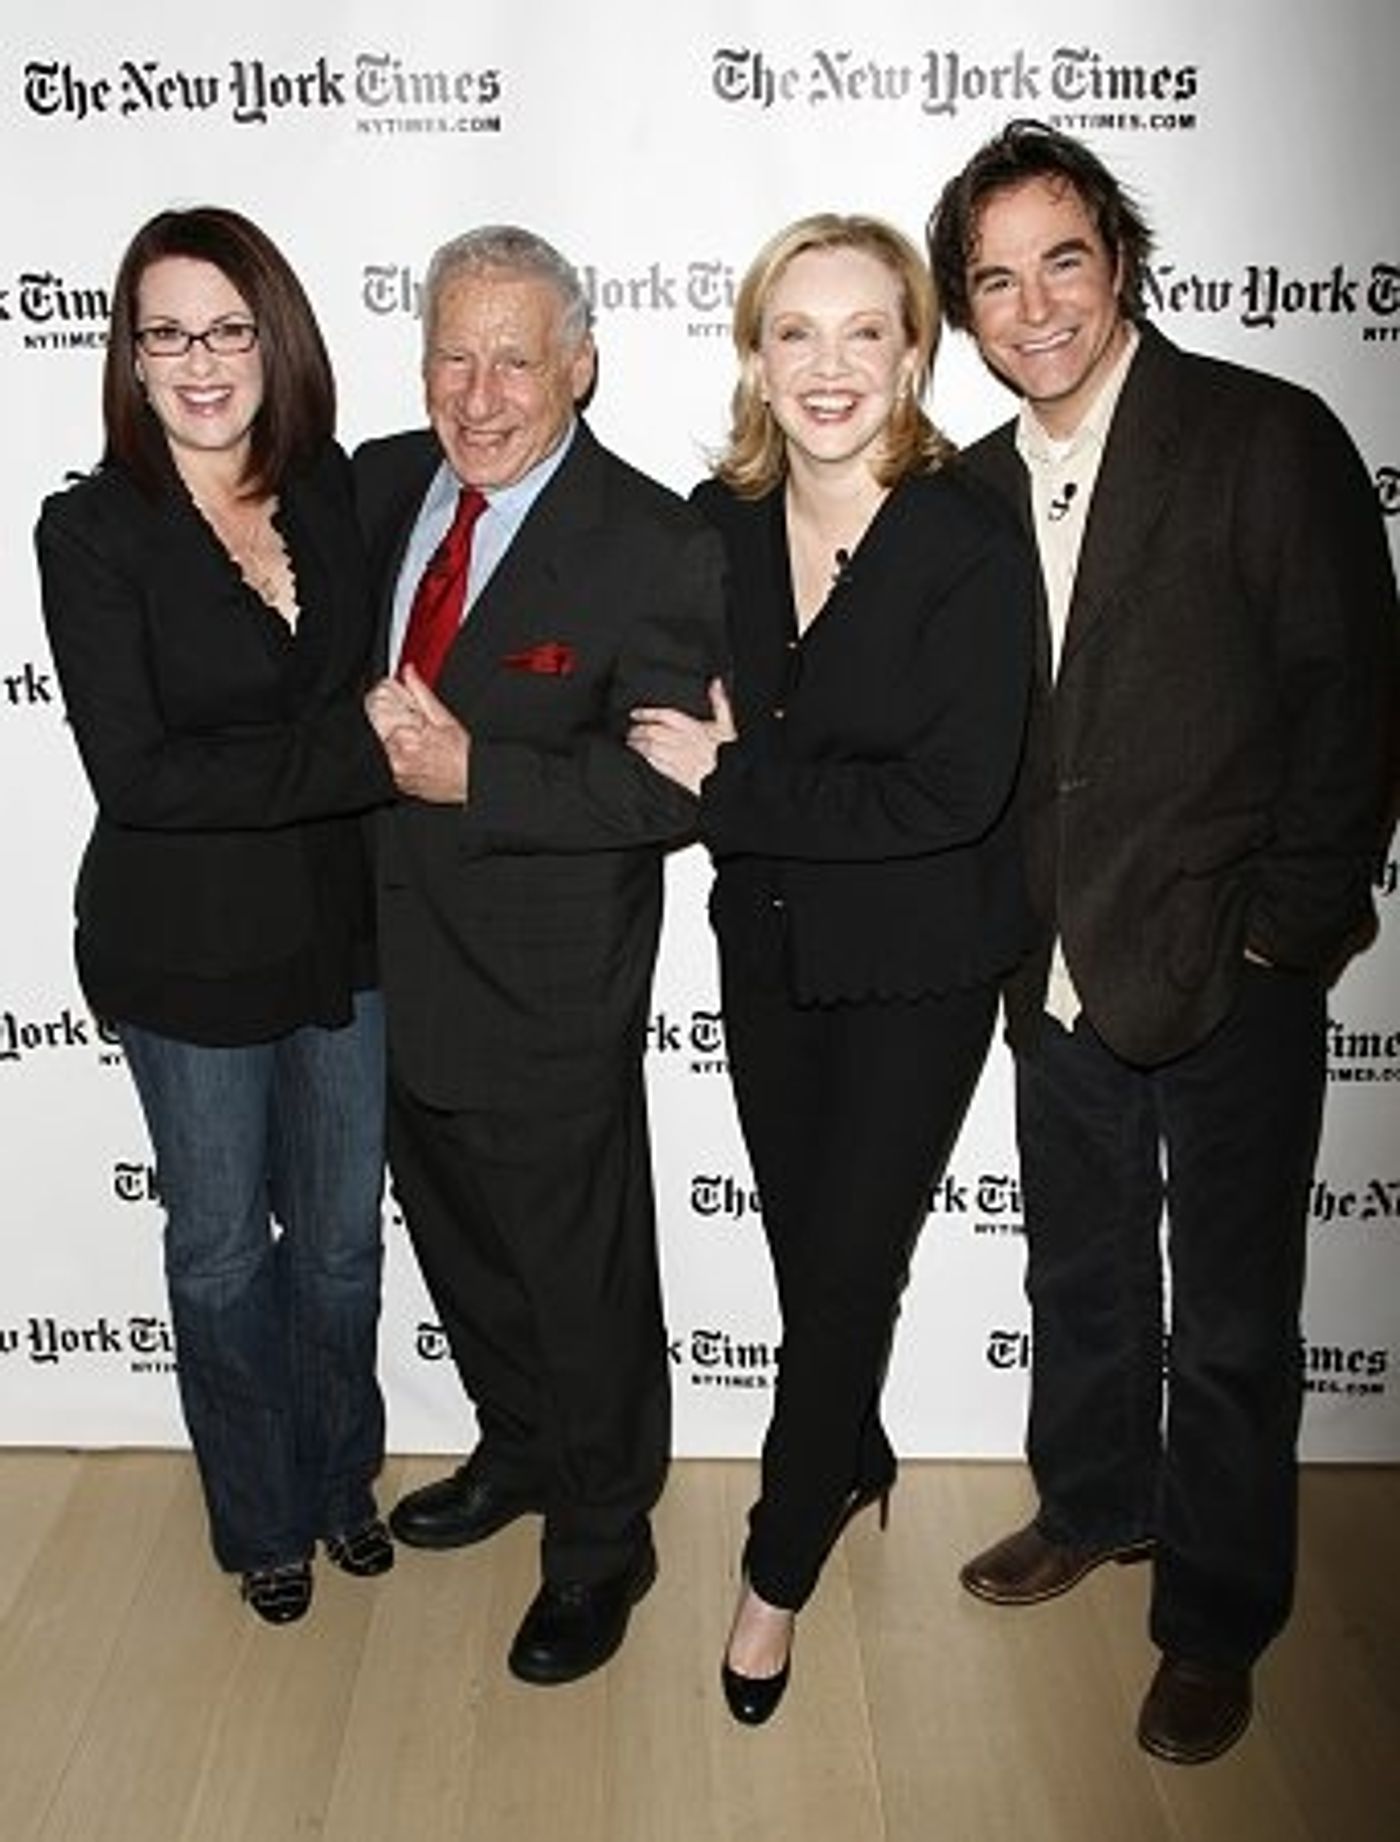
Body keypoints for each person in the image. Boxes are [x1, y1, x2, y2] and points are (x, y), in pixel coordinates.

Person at [927, 120, 1399, 1764]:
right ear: (966, 310)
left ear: (1119, 260)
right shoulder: (972, 490)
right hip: (1052, 969)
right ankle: (1092, 1499)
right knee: (1081, 1268)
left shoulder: (1263, 435)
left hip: (1231, 967)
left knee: (1238, 1318)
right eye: (997, 280)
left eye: (1062, 260)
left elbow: (1354, 698)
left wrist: (1285, 937)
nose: (1035, 306)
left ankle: (1214, 1615)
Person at [626, 214, 1036, 1724]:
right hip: (771, 950)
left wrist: (746, 781)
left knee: (850, 1266)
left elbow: (951, 797)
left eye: (868, 331)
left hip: (919, 968)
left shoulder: (965, 538)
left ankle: (776, 1567)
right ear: (753, 356)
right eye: (796, 331)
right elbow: (663, 725)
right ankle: (851, 1449)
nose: (830, 366)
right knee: (814, 1255)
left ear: (915, 355)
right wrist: (732, 775)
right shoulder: (714, 526)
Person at [356, 225, 726, 1686]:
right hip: (390, 972)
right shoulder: (381, 484)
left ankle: (602, 1538)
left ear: (581, 364)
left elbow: (669, 789)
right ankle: (517, 1449)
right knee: (461, 1251)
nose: (480, 394)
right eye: (453, 355)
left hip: (550, 995)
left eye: (515, 359)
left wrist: (483, 780)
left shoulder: (653, 540)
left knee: (581, 1283)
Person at [35, 207, 399, 1625]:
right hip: (184, 951)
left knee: (343, 1244)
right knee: (221, 1250)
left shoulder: (331, 491)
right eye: (167, 333)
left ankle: (342, 1477)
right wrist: (353, 751)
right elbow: (142, 778)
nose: (200, 361)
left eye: (228, 329)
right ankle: (261, 1516)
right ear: (130, 357)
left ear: (274, 340)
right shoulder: (91, 531)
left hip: (339, 932)